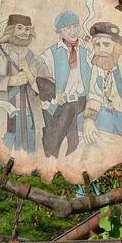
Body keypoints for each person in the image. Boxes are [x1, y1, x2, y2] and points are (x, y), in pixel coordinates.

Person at [0, 14, 54, 153]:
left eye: (28, 29)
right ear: (10, 29)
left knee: (29, 154)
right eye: (20, 28)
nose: (24, 33)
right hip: (1, 115)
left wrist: (31, 77)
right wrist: (10, 80)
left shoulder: (35, 59)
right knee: (4, 151)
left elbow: (50, 87)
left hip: (30, 118)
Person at [39, 11, 92, 157]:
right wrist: (55, 92)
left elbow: (95, 72)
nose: (73, 31)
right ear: (60, 31)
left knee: (74, 142)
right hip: (57, 104)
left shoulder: (85, 51)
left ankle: (66, 168)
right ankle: (51, 165)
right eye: (67, 28)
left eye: (75, 26)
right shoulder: (50, 53)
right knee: (53, 144)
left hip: (80, 102)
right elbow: (40, 78)